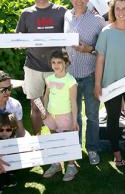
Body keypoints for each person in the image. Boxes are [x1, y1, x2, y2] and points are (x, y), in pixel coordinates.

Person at [94, 0, 125, 167]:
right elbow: (100, 59)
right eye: (118, 8)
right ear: (113, 11)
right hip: (111, 83)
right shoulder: (106, 32)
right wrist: (97, 83)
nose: (121, 12)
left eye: (124, 8)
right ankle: (116, 152)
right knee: (113, 119)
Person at [15, 0, 66, 135]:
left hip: (55, 68)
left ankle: (55, 139)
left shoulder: (61, 11)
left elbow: (70, 35)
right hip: (33, 67)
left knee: (55, 106)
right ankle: (38, 137)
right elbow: (18, 38)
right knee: (36, 106)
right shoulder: (26, 14)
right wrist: (17, 43)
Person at [64, 0, 105, 165]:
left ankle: (92, 148)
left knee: (92, 115)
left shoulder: (98, 20)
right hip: (70, 75)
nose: (79, 0)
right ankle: (74, 150)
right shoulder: (66, 16)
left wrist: (87, 48)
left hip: (89, 74)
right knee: (74, 116)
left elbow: (103, 50)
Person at [42, 50, 79, 181]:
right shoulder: (49, 79)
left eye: (59, 62)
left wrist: (75, 121)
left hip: (66, 116)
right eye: (53, 62)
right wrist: (44, 111)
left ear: (66, 63)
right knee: (54, 140)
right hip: (52, 115)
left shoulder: (71, 81)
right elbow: (46, 96)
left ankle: (71, 166)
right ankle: (56, 164)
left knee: (68, 141)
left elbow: (74, 102)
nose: (56, 65)